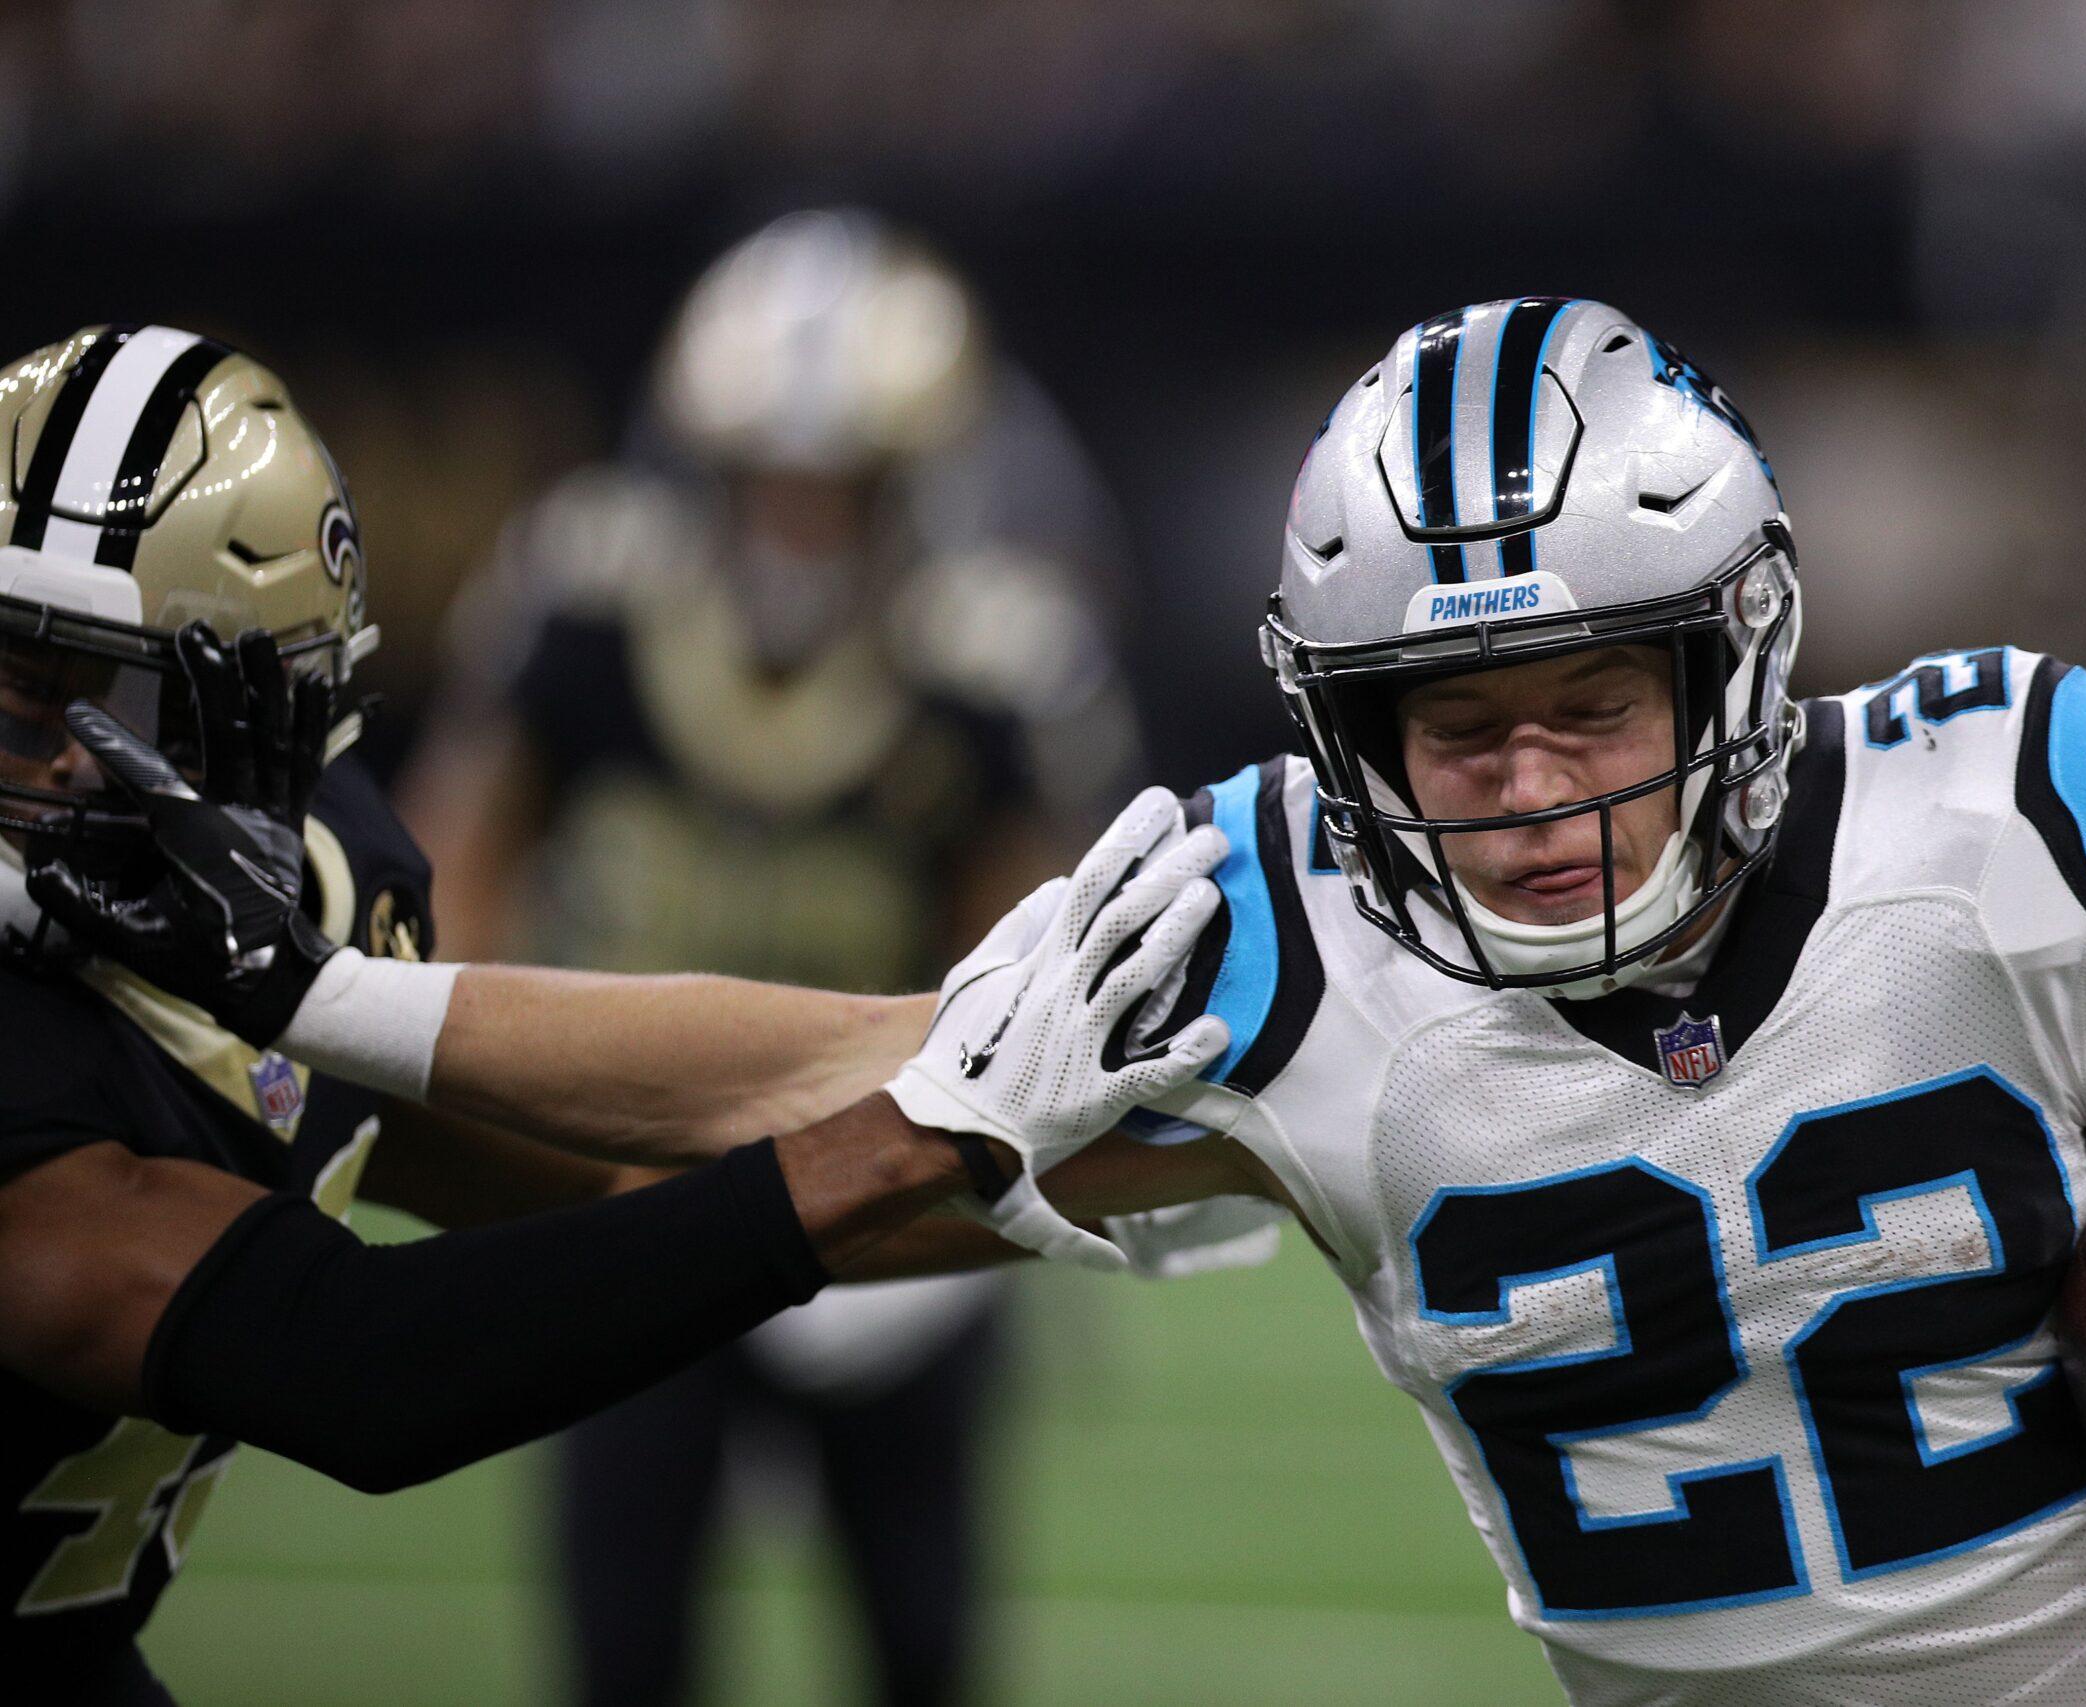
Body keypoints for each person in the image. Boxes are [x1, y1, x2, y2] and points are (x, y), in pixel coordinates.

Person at [67, 301, 2086, 1707]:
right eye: (1454, 731)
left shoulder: (1979, 832)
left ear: (1736, 659)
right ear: (1343, 734)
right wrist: (322, 998)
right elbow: (816, 1080)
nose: (1532, 785)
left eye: (1589, 702)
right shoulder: (1281, 940)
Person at [0, 324, 1229, 1706]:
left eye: (83, 694)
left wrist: (1127, 1171)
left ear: (264, 708)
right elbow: (356, 1361)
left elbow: (606, 1175)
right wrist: (919, 1141)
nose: (37, 757)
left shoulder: (309, 889)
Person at [399, 207, 1147, 1707]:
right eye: (771, 476)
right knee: (624, 1638)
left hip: (889, 1183)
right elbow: (451, 871)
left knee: (920, 1634)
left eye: (842, 482)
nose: (801, 518)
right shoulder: (586, 596)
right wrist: (502, 1120)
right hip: (627, 1181)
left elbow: (1036, 963)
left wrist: (948, 1159)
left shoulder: (994, 656)